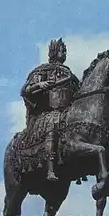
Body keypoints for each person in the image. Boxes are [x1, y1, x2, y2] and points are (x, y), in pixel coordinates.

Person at [20, 38, 80, 181]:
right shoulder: (43, 70)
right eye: (61, 50)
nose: (64, 53)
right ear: (54, 52)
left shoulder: (70, 75)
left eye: (65, 50)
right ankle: (50, 168)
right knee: (52, 122)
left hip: (67, 112)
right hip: (49, 113)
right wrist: (39, 85)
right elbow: (25, 90)